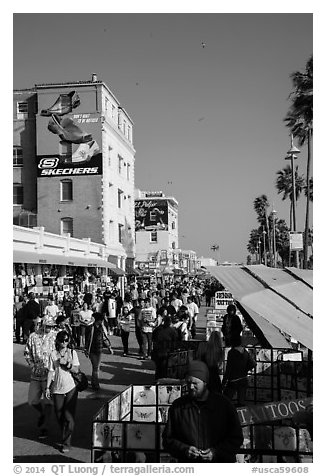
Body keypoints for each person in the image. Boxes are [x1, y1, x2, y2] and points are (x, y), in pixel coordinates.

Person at [162, 360, 243, 463]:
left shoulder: (224, 405)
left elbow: (236, 438)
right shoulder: (178, 407)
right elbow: (168, 440)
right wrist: (185, 449)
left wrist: (215, 452)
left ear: (205, 382)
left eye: (195, 383)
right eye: (188, 382)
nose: (191, 387)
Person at [45, 330, 80, 452]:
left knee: (68, 416)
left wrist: (67, 364)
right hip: (57, 388)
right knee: (59, 416)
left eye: (66, 340)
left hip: (70, 387)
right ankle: (65, 432)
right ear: (57, 341)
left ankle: (66, 443)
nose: (64, 343)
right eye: (62, 340)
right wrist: (47, 387)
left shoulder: (72, 352)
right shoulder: (53, 354)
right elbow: (51, 371)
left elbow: (76, 370)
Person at [24, 316, 57, 439]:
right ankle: (42, 413)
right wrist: (32, 365)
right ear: (42, 325)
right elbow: (27, 353)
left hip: (50, 375)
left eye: (51, 326)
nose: (49, 328)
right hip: (36, 375)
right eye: (48, 326)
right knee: (32, 400)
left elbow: (60, 351)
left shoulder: (55, 336)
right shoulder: (33, 336)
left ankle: (44, 428)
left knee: (48, 402)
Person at [222, 334, 256, 406]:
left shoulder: (231, 352)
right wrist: (245, 370)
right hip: (243, 379)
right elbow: (253, 364)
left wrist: (223, 382)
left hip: (233, 380)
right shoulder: (245, 352)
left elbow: (229, 368)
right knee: (241, 403)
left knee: (226, 400)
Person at [85, 312, 114, 391]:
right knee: (96, 367)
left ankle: (94, 382)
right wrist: (86, 349)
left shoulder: (101, 327)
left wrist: (109, 347)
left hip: (99, 350)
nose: (101, 321)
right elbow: (87, 340)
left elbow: (104, 337)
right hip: (92, 350)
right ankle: (96, 384)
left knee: (96, 368)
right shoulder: (90, 328)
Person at [152, 316, 178, 380]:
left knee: (158, 367)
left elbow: (153, 338)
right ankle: (163, 380)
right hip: (167, 352)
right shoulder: (172, 331)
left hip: (158, 351)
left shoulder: (157, 329)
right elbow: (176, 341)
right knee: (165, 368)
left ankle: (158, 379)